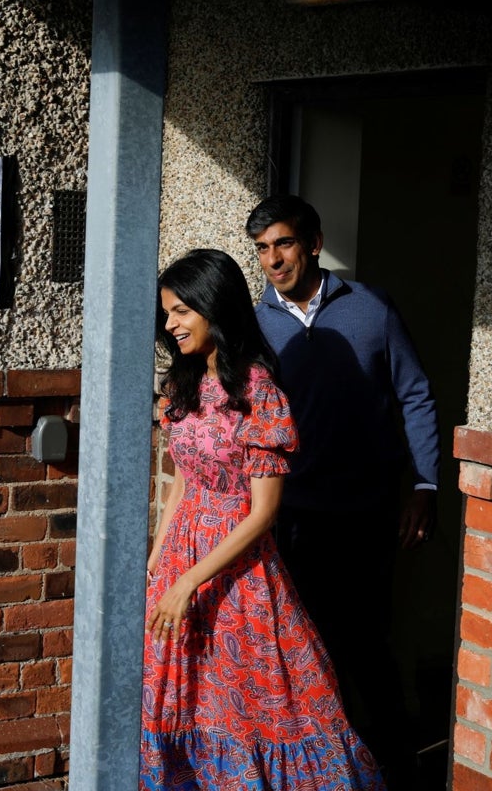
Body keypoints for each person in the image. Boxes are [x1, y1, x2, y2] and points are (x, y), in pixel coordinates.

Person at [141, 248, 384, 791]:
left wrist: (189, 581)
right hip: (182, 553)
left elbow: (264, 513)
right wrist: (159, 563)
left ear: (214, 307)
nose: (171, 324)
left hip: (237, 571)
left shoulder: (258, 393)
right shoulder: (182, 386)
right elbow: (182, 481)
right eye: (167, 313)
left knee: (258, 706)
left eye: (182, 311)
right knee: (183, 696)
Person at [245, 194, 441, 788]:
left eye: (282, 243)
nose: (273, 260)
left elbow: (415, 395)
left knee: (367, 644)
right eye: (261, 249)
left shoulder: (371, 308)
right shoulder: (256, 325)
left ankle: (396, 769)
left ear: (313, 242)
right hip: (291, 515)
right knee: (304, 645)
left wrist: (424, 485)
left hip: (366, 511)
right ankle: (327, 770)